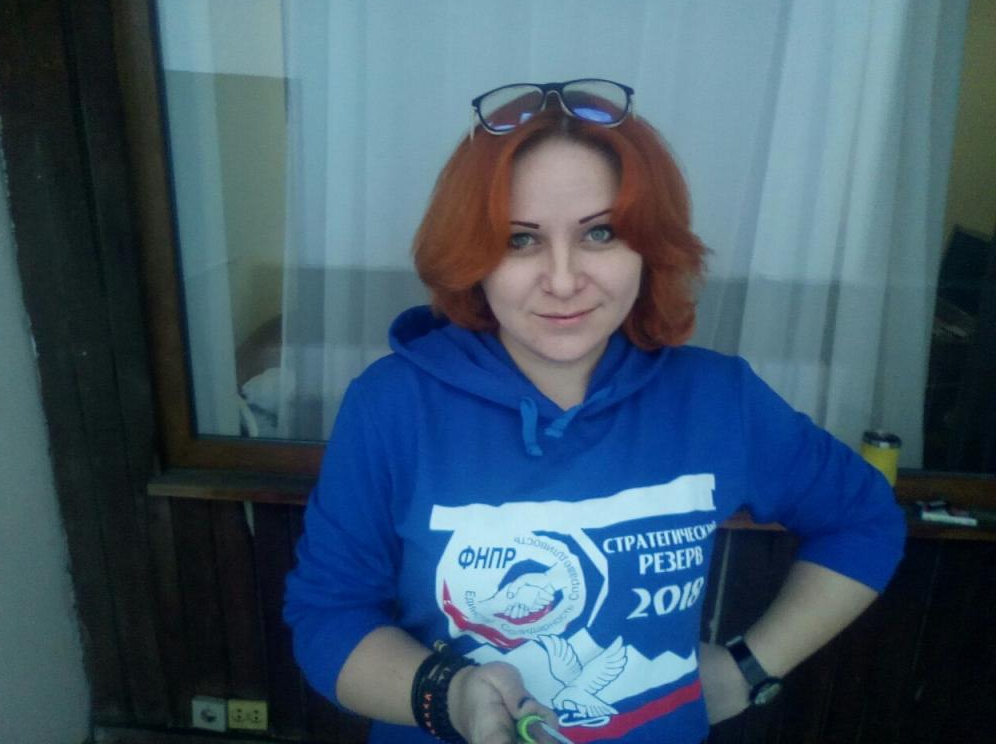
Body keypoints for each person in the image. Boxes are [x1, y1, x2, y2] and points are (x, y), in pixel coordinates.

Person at [284, 79, 906, 744]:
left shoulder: (717, 399)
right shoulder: (393, 406)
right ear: (474, 256)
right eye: (519, 240)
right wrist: (452, 695)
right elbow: (329, 618)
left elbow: (864, 520)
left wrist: (745, 670)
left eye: (600, 233)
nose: (562, 279)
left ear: (648, 245)